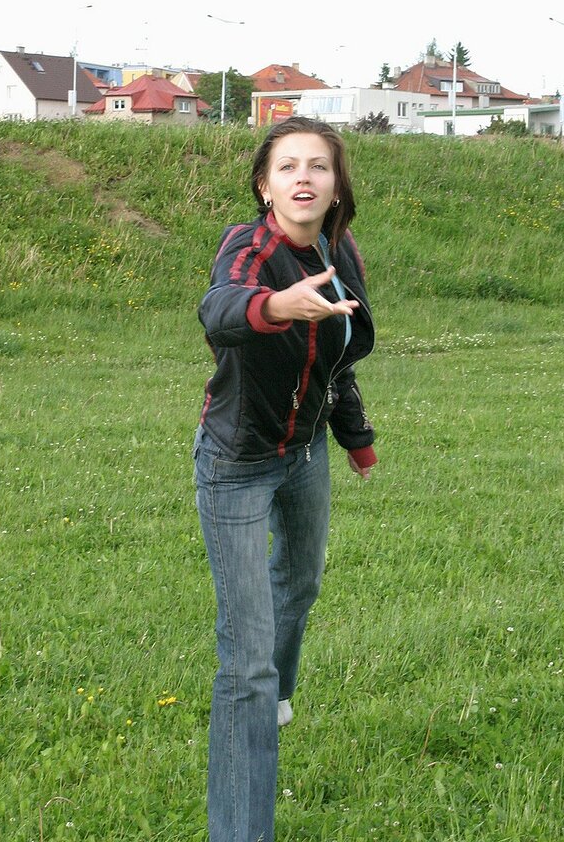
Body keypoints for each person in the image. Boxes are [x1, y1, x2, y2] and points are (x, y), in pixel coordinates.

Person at [194, 115, 377, 842]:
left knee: (299, 586)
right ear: (265, 186)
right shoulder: (250, 248)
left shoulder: (339, 249)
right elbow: (220, 308)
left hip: (304, 455)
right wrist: (274, 307)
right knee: (247, 664)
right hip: (237, 464)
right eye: (288, 166)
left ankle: (269, 699)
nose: (304, 177)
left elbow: (337, 356)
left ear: (336, 186)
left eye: (319, 166)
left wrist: (355, 438)